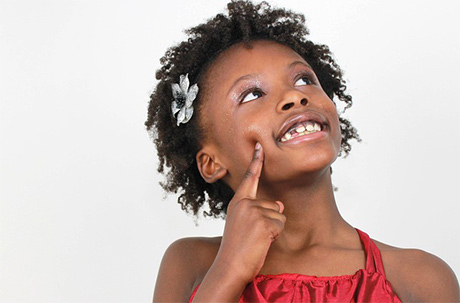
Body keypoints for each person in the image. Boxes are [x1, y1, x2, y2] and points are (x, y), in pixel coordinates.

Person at [145, 1, 460, 302]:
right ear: (212, 162)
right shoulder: (193, 264)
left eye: (304, 79)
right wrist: (230, 271)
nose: (295, 96)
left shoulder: (419, 278)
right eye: (253, 94)